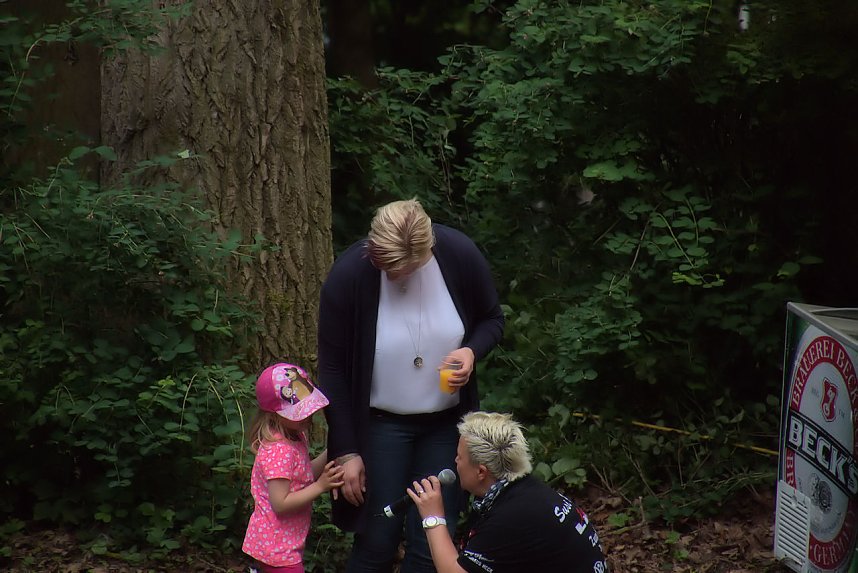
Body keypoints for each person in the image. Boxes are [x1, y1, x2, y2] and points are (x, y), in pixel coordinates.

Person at [318, 198, 505, 572]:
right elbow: (333, 369)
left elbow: (492, 319)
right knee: (376, 540)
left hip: (444, 426)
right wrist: (347, 451)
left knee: (431, 540)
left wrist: (470, 351)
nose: (393, 274)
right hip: (379, 426)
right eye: (384, 265)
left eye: (403, 267)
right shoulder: (350, 274)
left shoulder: (458, 255)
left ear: (427, 248)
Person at [407, 411, 608, 573]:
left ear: (481, 471)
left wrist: (433, 518)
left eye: (459, 457)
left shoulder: (511, 516)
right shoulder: (524, 492)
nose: (455, 462)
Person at [243, 362, 346, 573]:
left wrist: (333, 451)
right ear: (273, 414)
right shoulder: (279, 449)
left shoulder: (294, 437)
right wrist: (320, 486)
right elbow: (280, 503)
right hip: (277, 549)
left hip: (282, 545)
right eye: (299, 412)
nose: (308, 416)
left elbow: (303, 474)